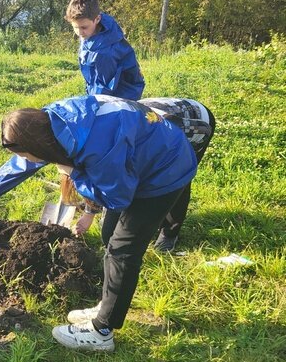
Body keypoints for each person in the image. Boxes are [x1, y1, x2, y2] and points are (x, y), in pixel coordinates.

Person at [0, 95, 199, 352]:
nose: (30, 161)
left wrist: (73, 173)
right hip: (141, 159)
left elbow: (117, 196)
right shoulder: (52, 125)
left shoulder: (98, 145)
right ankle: (107, 304)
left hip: (163, 171)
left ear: (38, 146)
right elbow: (22, 163)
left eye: (28, 155)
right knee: (109, 236)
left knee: (123, 250)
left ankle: (102, 332)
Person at [73, 97, 215, 252]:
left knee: (176, 181)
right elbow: (101, 178)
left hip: (195, 125)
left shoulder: (143, 139)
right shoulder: (99, 143)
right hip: (150, 124)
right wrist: (89, 213)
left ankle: (169, 233)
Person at [66, 0, 145, 100]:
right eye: (75, 27)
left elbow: (104, 89)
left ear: (97, 19)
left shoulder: (104, 52)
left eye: (83, 27)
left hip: (124, 94)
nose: (79, 32)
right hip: (102, 86)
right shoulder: (91, 31)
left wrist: (94, 103)